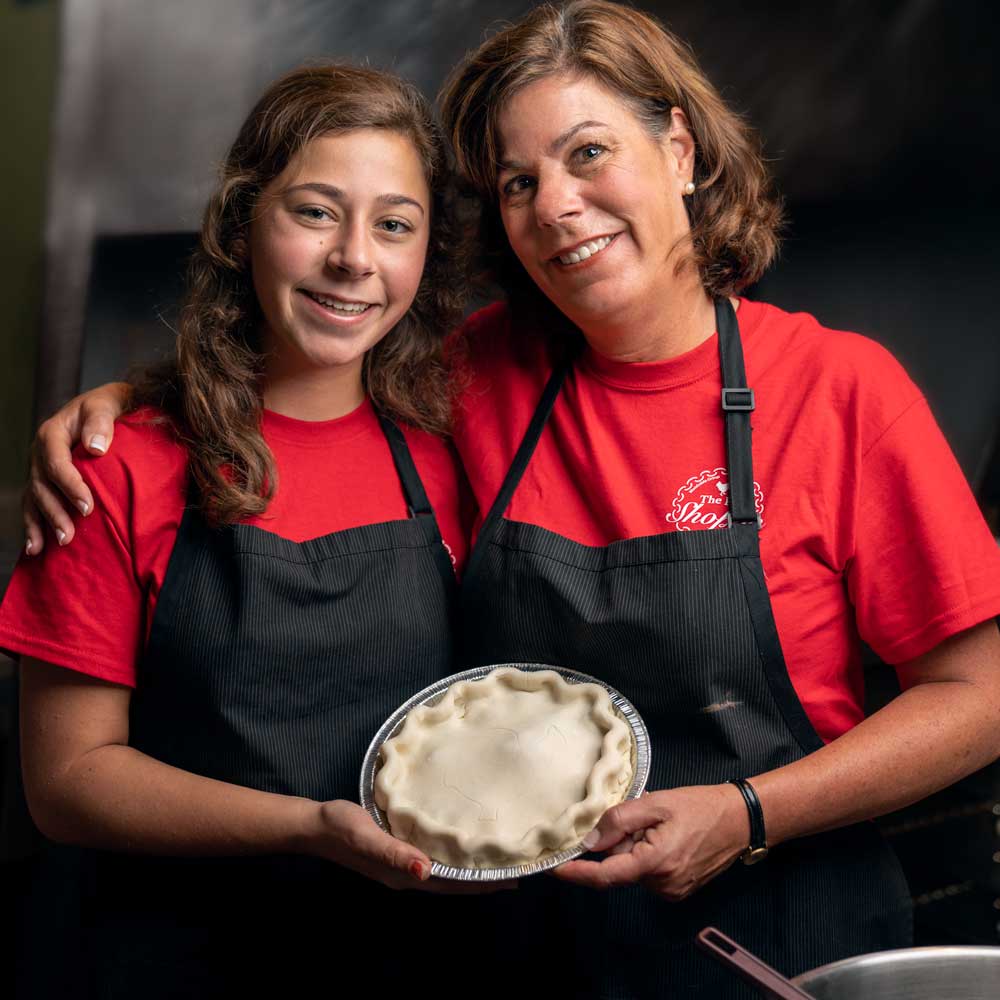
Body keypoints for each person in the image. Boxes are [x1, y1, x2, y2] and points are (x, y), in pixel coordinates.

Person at [19, 2, 1000, 998]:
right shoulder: (479, 379)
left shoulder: (839, 391)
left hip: (776, 938)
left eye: (588, 153)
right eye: (519, 184)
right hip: (532, 957)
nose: (558, 206)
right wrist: (128, 404)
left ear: (681, 148)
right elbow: (308, 368)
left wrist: (748, 811)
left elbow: (981, 695)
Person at [0, 62, 506, 999]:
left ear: (424, 256)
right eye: (315, 212)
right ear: (241, 226)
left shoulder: (457, 448)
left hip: (411, 962)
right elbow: (66, 781)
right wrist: (307, 826)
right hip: (161, 960)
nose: (355, 258)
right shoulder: (115, 465)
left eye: (394, 225)